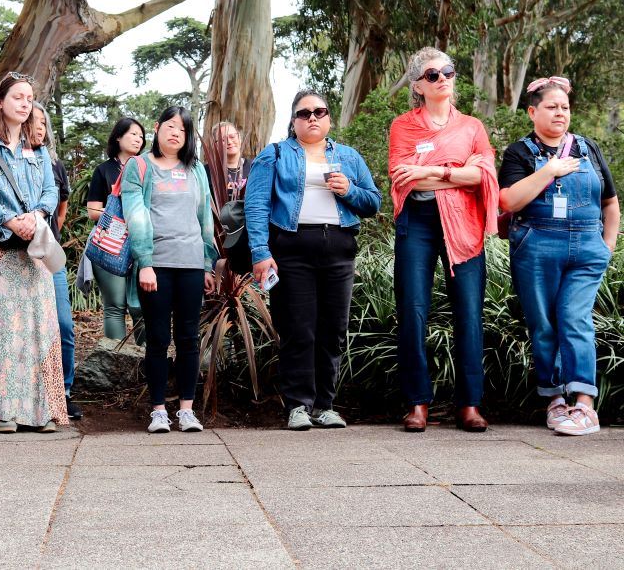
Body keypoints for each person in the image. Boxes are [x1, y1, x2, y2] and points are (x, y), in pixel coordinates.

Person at [245, 91, 381, 430]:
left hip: (338, 249)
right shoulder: (275, 154)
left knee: (333, 329)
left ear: (329, 119)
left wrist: (348, 189)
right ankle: (298, 406)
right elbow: (257, 205)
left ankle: (325, 405)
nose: (313, 118)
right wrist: (261, 253)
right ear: (293, 121)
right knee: (298, 329)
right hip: (292, 249)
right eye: (304, 113)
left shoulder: (348, 157)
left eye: (320, 112)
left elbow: (373, 202)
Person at [498, 77, 619, 436]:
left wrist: (606, 248)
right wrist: (548, 171)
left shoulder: (588, 148)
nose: (560, 113)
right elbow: (508, 201)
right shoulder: (519, 153)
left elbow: (610, 203)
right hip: (537, 246)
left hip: (586, 248)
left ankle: (583, 404)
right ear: (532, 112)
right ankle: (554, 400)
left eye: (564, 107)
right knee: (544, 324)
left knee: (574, 317)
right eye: (551, 107)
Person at [389, 47, 499, 433]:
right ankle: (417, 403)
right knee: (413, 310)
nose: (443, 79)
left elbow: (485, 176)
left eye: (448, 71)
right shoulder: (403, 126)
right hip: (417, 220)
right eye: (432, 75)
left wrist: (433, 170)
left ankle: (469, 405)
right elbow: (403, 177)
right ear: (418, 85)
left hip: (464, 223)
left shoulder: (472, 127)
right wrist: (457, 170)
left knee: (469, 313)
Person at [0, 72, 67, 434]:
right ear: (0, 102)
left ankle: (42, 412)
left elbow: (50, 192)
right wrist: (10, 220)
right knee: (0, 330)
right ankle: (2, 411)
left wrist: (37, 216)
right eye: (18, 97)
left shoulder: (39, 153)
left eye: (29, 97)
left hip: (35, 246)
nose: (25, 103)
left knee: (39, 328)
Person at [121, 105, 217, 433]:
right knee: (159, 338)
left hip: (191, 264)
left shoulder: (197, 170)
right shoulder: (140, 166)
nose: (176, 132)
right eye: (170, 126)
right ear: (157, 127)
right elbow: (136, 214)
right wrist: (144, 262)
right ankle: (159, 410)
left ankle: (187, 410)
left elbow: (206, 218)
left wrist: (207, 263)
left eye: (183, 129)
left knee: (189, 338)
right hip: (157, 266)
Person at [29, 101, 82, 420]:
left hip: (49, 250)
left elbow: (62, 204)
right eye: (33, 121)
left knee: (63, 323)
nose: (39, 127)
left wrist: (53, 228)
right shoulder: (10, 159)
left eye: (42, 122)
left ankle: (63, 390)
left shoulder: (54, 164)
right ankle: (32, 390)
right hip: (18, 251)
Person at [86, 118, 146, 343]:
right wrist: (121, 216)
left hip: (141, 242)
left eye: (141, 135)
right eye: (132, 134)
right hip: (111, 242)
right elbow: (93, 211)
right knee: (115, 306)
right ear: (118, 137)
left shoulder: (145, 168)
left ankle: (144, 365)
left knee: (142, 307)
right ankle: (114, 365)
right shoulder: (104, 170)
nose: (138, 139)